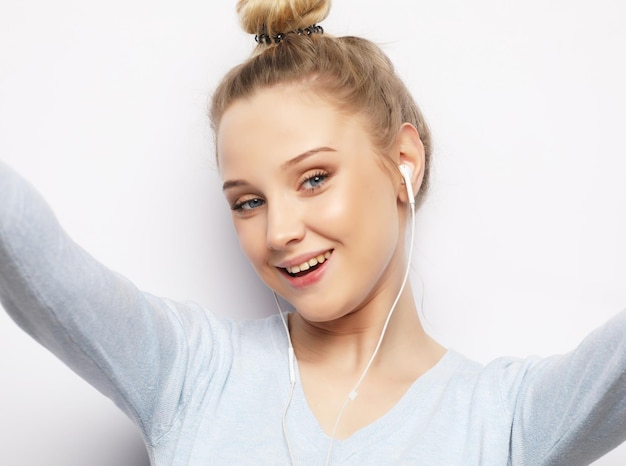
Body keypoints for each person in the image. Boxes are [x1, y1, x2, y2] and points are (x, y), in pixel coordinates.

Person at [1, 0, 625, 464]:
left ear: (404, 162)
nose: (278, 231)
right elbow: (25, 244)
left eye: (313, 178)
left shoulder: (507, 420)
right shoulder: (189, 370)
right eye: (247, 202)